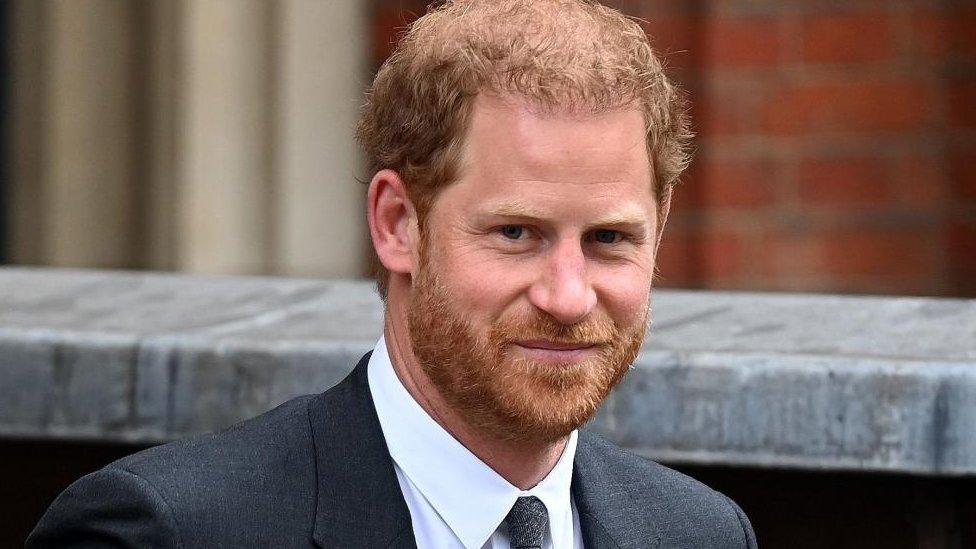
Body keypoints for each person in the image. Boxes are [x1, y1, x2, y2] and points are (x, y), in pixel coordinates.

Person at [28, 1, 757, 547]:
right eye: (516, 233)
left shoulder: (702, 533)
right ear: (397, 224)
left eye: (608, 239)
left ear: (658, 227)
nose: (568, 295)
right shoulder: (167, 531)